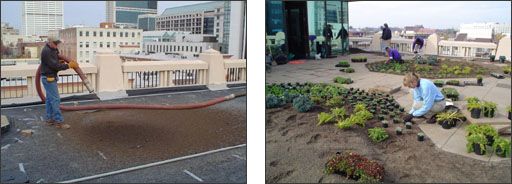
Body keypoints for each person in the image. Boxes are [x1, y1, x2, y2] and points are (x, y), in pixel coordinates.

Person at [40, 36, 79, 129]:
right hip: (48, 78)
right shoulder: (47, 51)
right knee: (55, 99)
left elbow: (55, 61)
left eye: (57, 43)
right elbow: (55, 66)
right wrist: (68, 65)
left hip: (50, 77)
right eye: (55, 43)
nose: (57, 45)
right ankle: (59, 122)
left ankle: (49, 119)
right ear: (50, 42)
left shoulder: (53, 49)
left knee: (50, 100)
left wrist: (60, 61)